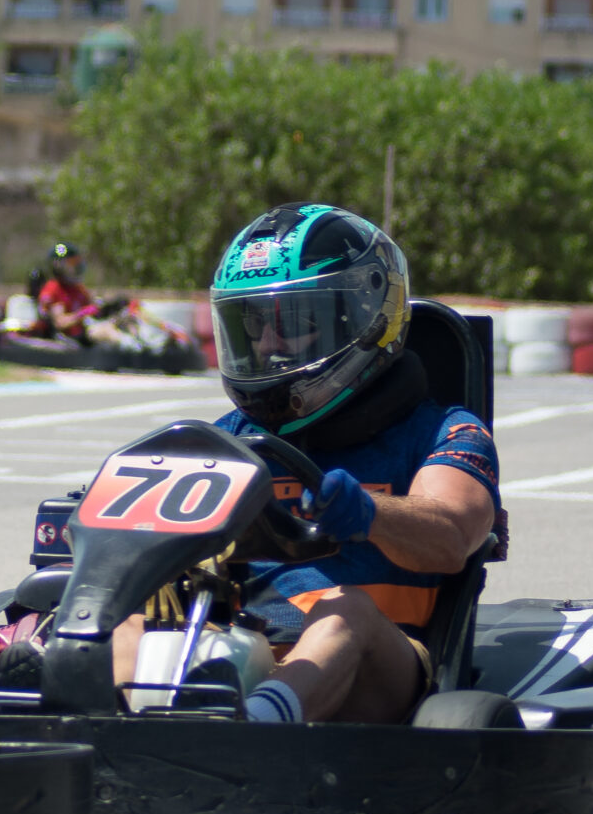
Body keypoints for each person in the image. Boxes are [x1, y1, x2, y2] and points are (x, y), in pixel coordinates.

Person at [113, 204, 497, 725]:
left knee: (346, 610)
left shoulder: (443, 431)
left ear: (360, 318)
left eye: (291, 323)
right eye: (254, 325)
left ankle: (260, 727)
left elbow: (453, 535)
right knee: (129, 614)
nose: (268, 345)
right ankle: (103, 719)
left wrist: (371, 515)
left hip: (380, 665)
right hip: (238, 647)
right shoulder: (229, 439)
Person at [26, 241, 96, 335]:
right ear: (59, 266)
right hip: (68, 341)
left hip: (85, 336)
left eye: (77, 262)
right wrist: (82, 314)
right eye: (72, 263)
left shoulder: (79, 289)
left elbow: (92, 306)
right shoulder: (52, 289)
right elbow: (60, 322)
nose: (77, 267)